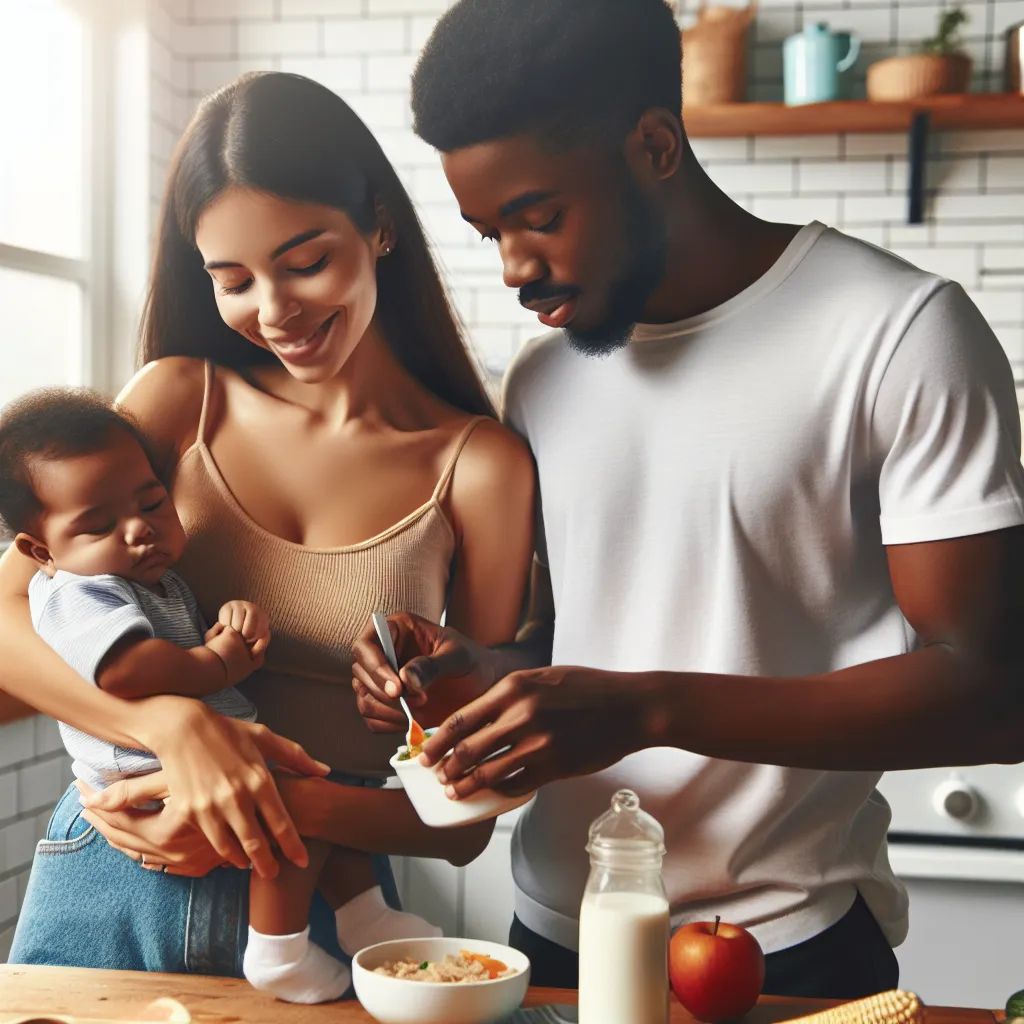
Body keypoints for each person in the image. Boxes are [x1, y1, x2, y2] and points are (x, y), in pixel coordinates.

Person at [351, 0, 1024, 1000]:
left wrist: (647, 707)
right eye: (489, 230)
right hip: (546, 940)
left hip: (774, 947)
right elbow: (594, 635)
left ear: (655, 145)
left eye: (539, 216)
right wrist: (483, 674)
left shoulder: (898, 332)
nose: (514, 269)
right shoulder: (543, 378)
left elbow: (990, 696)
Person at [1, 71, 534, 990]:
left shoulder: (480, 468)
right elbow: (10, 624)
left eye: (304, 261)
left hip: (329, 909)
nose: (274, 310)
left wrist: (281, 798)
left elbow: (465, 814)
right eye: (232, 279)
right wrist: (174, 726)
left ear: (379, 226)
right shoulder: (178, 401)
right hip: (115, 872)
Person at [0, 388, 447, 1003]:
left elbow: (176, 642)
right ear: (41, 552)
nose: (137, 530)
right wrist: (215, 663)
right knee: (292, 827)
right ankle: (280, 947)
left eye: (154, 502)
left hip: (220, 770)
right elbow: (130, 670)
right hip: (149, 784)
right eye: (99, 526)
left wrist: (228, 625)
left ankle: (359, 912)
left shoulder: (153, 580)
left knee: (320, 809)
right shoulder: (80, 590)